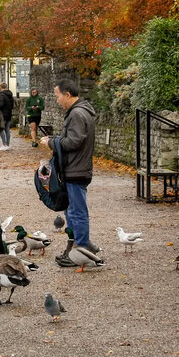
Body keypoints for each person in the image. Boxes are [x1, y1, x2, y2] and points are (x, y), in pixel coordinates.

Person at [42, 78, 99, 265]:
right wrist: (56, 139)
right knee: (72, 210)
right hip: (76, 168)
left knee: (76, 211)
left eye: (58, 96)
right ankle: (79, 246)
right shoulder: (81, 112)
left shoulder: (77, 114)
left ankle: (81, 249)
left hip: (76, 169)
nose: (57, 100)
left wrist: (51, 142)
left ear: (67, 94)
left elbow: (74, 142)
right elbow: (74, 138)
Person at [0, 82, 15, 151]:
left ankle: (4, 144)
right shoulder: (10, 94)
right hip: (9, 114)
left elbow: (0, 105)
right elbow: (12, 105)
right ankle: (7, 144)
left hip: (3, 114)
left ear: (0, 87)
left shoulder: (2, 95)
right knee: (7, 130)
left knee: (1, 129)